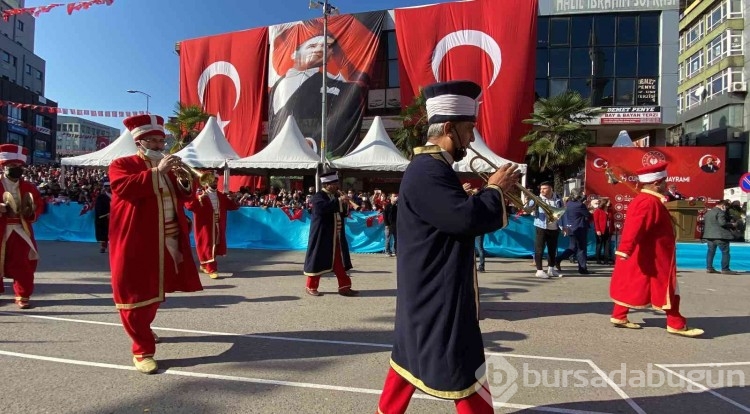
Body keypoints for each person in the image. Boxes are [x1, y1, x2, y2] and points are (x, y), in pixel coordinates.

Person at [377, 80, 521, 413]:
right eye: (468, 129)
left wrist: (485, 195)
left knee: (409, 361)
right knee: (463, 368)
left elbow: (451, 217)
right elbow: (463, 220)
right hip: (437, 294)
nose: (472, 140)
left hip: (428, 289)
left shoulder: (432, 169)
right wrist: (494, 190)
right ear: (447, 128)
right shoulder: (429, 170)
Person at [109, 114, 204, 374]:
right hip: (137, 238)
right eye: (152, 140)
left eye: (161, 141)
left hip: (170, 237)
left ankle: (144, 328)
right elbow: (123, 188)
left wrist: (188, 179)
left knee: (157, 288)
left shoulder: (168, 167)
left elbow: (185, 196)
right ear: (139, 142)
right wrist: (156, 172)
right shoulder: (122, 164)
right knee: (135, 292)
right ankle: (142, 350)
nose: (158, 145)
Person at [609, 161, 704, 337]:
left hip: (648, 254)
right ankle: (675, 323)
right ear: (656, 183)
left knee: (635, 283)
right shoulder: (648, 202)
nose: (666, 184)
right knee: (670, 289)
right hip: (656, 256)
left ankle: (619, 315)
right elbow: (635, 226)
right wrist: (625, 249)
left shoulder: (649, 200)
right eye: (664, 181)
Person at [268, 30, 365, 156]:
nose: (320, 49)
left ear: (330, 55)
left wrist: (312, 143)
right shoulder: (276, 86)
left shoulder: (341, 89)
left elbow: (340, 126)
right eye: (312, 46)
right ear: (294, 54)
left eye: (327, 47)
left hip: (311, 159)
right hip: (276, 157)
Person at [0, 144, 44, 309]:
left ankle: (22, 294)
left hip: (20, 229)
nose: (16, 169)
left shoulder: (28, 187)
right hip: (1, 228)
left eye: (19, 166)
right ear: (4, 166)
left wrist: (31, 211)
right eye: (12, 166)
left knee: (23, 263)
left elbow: (39, 204)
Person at [302, 168, 358, 297]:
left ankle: (344, 287)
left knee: (339, 261)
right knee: (318, 259)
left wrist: (346, 204)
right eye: (334, 184)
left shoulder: (334, 196)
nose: (337, 186)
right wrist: (339, 201)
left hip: (335, 236)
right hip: (323, 235)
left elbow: (341, 213)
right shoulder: (318, 197)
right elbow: (323, 209)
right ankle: (311, 286)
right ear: (327, 185)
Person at [185, 173, 240, 279]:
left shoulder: (221, 195)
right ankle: (212, 269)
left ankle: (204, 264)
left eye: (215, 181)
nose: (214, 183)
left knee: (216, 245)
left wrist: (234, 198)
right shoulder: (200, 194)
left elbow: (233, 207)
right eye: (212, 181)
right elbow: (189, 206)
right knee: (207, 245)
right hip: (205, 226)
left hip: (218, 224)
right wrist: (199, 198)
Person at [526, 181, 563, 278]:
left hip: (554, 227)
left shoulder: (558, 199)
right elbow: (527, 209)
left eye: (544, 188)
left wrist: (564, 226)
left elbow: (562, 212)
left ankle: (551, 269)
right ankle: (539, 270)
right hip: (541, 227)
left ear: (551, 189)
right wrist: (530, 203)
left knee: (552, 249)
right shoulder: (537, 199)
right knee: (539, 249)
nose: (542, 190)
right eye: (541, 189)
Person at [555, 189, 592, 274]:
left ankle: (559, 259)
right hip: (580, 228)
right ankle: (582, 268)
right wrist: (588, 207)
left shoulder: (568, 204)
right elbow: (588, 215)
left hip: (571, 228)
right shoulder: (580, 205)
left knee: (573, 247)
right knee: (581, 248)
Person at [702, 200, 739, 274]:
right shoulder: (720, 212)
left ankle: (709, 268)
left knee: (711, 252)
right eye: (726, 207)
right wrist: (732, 225)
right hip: (721, 236)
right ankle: (725, 269)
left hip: (709, 236)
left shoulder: (708, 212)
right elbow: (722, 223)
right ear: (723, 206)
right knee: (725, 252)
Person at [593, 198, 614, 265]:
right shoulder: (598, 211)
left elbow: (612, 221)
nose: (609, 203)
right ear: (604, 203)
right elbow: (596, 221)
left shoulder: (610, 211)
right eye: (608, 202)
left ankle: (606, 260)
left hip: (608, 230)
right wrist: (597, 230)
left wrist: (612, 229)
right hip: (600, 230)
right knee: (599, 245)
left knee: (607, 245)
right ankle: (598, 259)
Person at [94, 181, 111, 253]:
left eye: (109, 186)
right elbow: (99, 207)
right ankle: (103, 246)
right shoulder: (101, 197)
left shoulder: (117, 195)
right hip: (105, 217)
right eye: (106, 187)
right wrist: (106, 214)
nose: (108, 188)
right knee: (104, 232)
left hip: (116, 216)